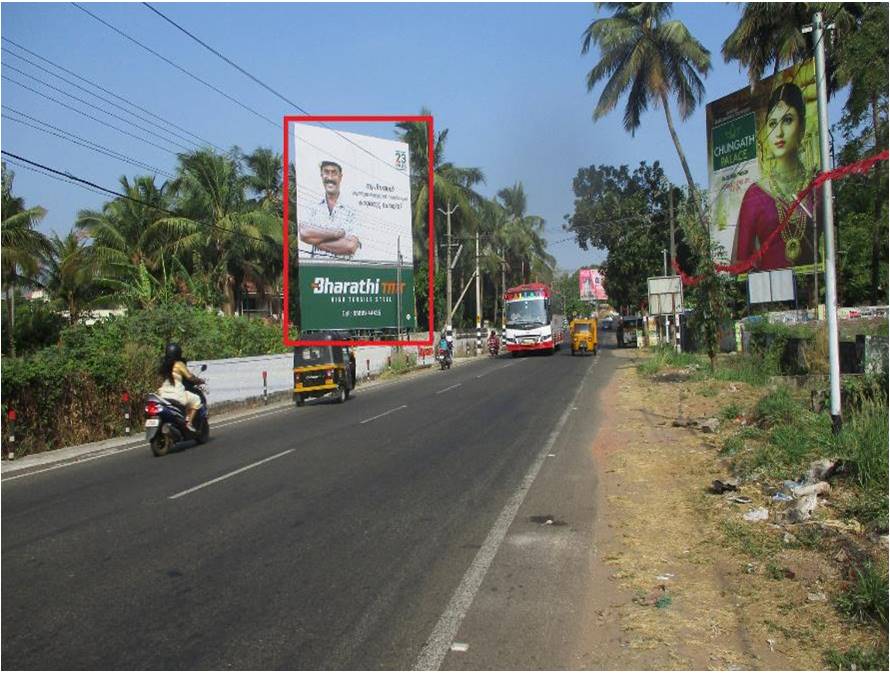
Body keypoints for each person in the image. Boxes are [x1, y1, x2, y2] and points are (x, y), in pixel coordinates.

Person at [734, 82, 816, 270]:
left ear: (801, 127)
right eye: (772, 124)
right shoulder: (754, 195)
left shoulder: (817, 186)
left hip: (814, 285)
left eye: (787, 120)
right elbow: (742, 264)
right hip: (766, 289)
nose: (778, 133)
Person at [299, 160, 361, 259]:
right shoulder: (312, 207)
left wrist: (316, 241)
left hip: (342, 270)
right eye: (326, 172)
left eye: (334, 173)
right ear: (321, 176)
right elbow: (304, 233)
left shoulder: (351, 212)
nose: (330, 177)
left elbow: (350, 246)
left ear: (340, 177)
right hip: (316, 270)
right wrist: (335, 234)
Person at [157, 343, 204, 432]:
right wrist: (200, 381)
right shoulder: (179, 364)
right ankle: (189, 423)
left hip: (163, 393)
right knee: (197, 399)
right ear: (178, 353)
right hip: (177, 393)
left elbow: (159, 380)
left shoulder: (164, 365)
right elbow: (190, 377)